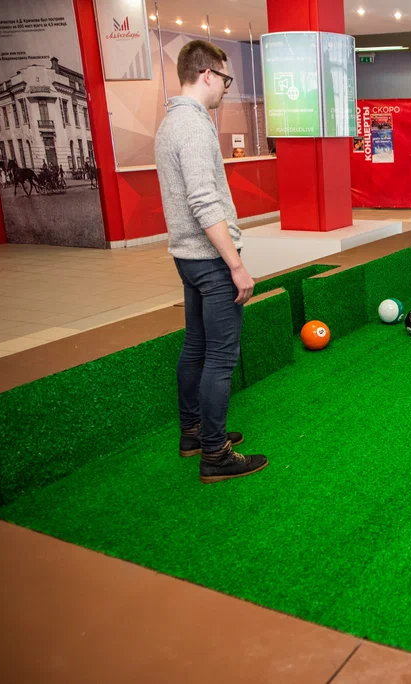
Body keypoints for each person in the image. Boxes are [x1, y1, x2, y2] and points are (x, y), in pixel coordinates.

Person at [154, 39, 267, 484]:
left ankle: (194, 434)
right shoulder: (195, 127)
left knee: (196, 346)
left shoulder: (170, 122)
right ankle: (216, 454)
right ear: (207, 74)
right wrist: (235, 265)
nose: (226, 87)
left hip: (186, 258)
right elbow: (203, 202)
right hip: (210, 260)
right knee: (221, 357)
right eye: (225, 79)